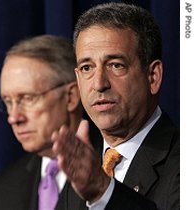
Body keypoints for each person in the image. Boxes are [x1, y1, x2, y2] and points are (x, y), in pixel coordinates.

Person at [51, 2, 179, 210]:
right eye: (87, 68)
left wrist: (103, 191)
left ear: (153, 77)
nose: (99, 83)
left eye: (116, 65)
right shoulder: (80, 175)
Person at [0, 34, 85, 209]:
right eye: (8, 102)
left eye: (27, 98)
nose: (13, 117)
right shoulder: (1, 190)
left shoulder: (112, 170)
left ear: (71, 97)